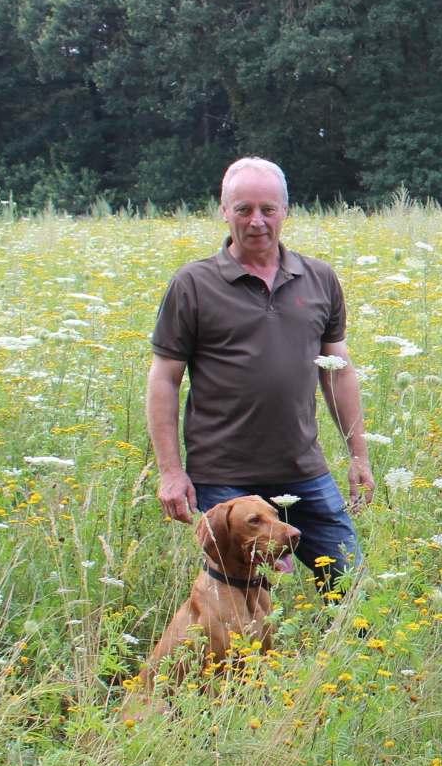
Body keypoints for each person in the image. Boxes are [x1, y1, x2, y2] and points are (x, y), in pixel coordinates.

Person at [146, 157, 375, 596]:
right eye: (244, 209)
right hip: (224, 480)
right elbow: (164, 380)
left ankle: (336, 663)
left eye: (268, 210)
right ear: (224, 210)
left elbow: (338, 373)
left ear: (286, 211)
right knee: (236, 605)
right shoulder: (193, 284)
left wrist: (358, 455)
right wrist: (171, 472)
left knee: (351, 590)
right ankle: (250, 668)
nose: (256, 222)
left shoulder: (319, 278)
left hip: (303, 469)